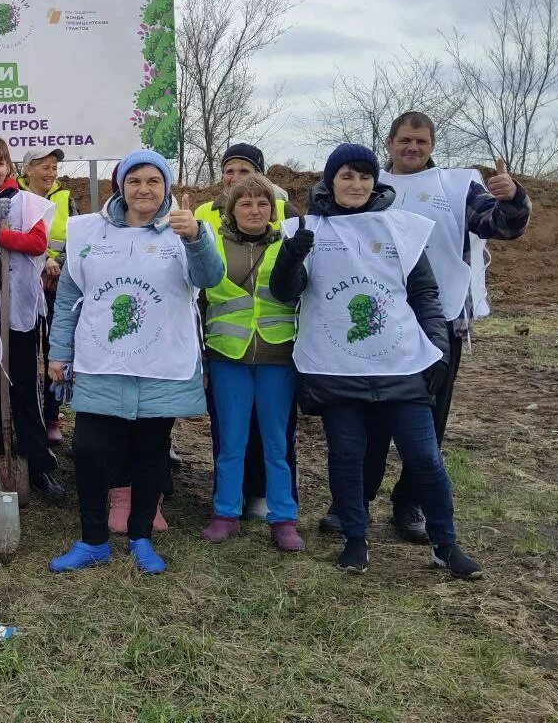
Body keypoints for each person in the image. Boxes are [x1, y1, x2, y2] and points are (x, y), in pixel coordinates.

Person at [270, 144, 482, 578]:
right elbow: (285, 292)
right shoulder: (305, 227)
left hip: (401, 365)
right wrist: (293, 254)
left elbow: (425, 294)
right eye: (347, 176)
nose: (357, 184)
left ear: (375, 181)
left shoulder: (401, 228)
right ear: (330, 181)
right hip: (337, 367)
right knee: (347, 455)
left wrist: (437, 350)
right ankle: (355, 538)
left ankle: (445, 544)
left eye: (365, 176)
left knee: (423, 456)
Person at [345, 112, 531, 542]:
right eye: (405, 140)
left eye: (422, 142)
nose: (413, 148)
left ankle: (409, 502)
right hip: (377, 319)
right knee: (369, 411)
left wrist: (513, 198)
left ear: (432, 146)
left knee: (428, 417)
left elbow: (500, 225)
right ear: (389, 142)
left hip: (439, 318)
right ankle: (355, 499)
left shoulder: (456, 186)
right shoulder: (369, 186)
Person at [47, 150, 224, 575]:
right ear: (120, 187)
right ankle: (93, 541)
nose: (144, 189)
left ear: (165, 187)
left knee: (151, 452)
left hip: (160, 363)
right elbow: (70, 296)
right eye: (135, 181)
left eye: (153, 181)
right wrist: (58, 351)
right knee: (88, 449)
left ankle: (141, 536)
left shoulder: (186, 229)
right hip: (101, 360)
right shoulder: (88, 232)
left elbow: (210, 279)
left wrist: (195, 236)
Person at [192, 143, 300, 521]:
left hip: (277, 355)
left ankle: (281, 512)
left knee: (277, 441)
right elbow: (199, 297)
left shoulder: (289, 235)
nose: (254, 210)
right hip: (227, 355)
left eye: (261, 202)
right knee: (231, 441)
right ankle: (226, 510)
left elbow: (299, 291)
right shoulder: (209, 233)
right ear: (231, 208)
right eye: (244, 203)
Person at [0, 138, 65, 502]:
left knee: (23, 388)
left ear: (10, 168)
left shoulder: (30, 202)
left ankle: (39, 464)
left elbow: (37, 243)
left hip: (18, 310)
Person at [17, 148, 76, 445]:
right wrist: (43, 262)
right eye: (44, 166)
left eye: (54, 167)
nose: (51, 172)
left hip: (56, 287)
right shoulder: (13, 196)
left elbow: (77, 241)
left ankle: (52, 416)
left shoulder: (66, 199)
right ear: (28, 169)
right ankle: (25, 417)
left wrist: (56, 264)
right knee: (26, 356)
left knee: (55, 352)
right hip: (23, 288)